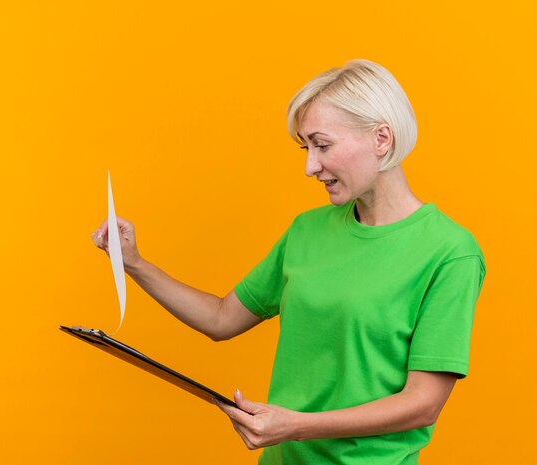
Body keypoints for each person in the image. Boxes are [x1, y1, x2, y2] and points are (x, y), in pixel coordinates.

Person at [92, 59, 486, 465]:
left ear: (381, 138)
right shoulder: (306, 230)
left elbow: (423, 404)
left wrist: (295, 425)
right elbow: (221, 318)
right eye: (306, 148)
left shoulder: (450, 251)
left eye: (323, 145)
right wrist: (134, 263)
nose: (310, 166)